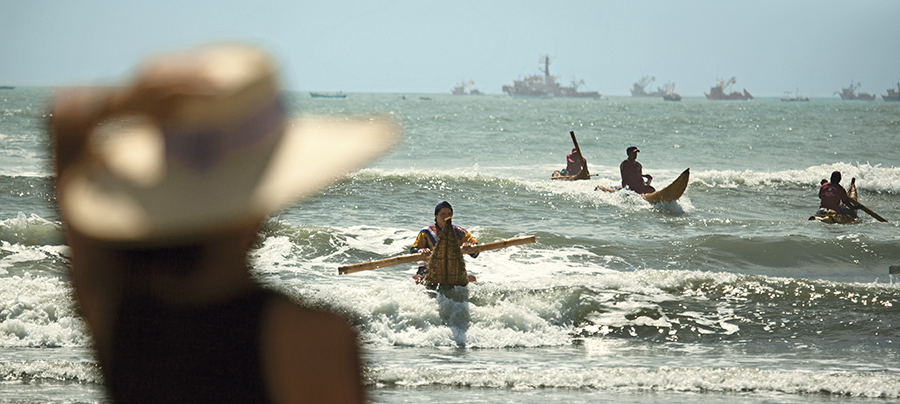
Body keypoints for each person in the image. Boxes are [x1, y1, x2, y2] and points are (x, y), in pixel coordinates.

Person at [49, 43, 399, 404]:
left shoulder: (115, 310)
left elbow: (66, 121)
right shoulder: (308, 338)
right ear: (265, 191)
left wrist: (122, 104)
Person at [410, 201, 478, 284]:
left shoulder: (459, 232)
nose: (446, 217)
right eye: (443, 214)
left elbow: (476, 252)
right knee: (416, 279)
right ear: (436, 216)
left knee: (472, 279)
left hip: (453, 270)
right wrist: (421, 251)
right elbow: (413, 250)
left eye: (449, 214)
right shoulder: (426, 232)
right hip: (430, 269)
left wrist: (469, 247)